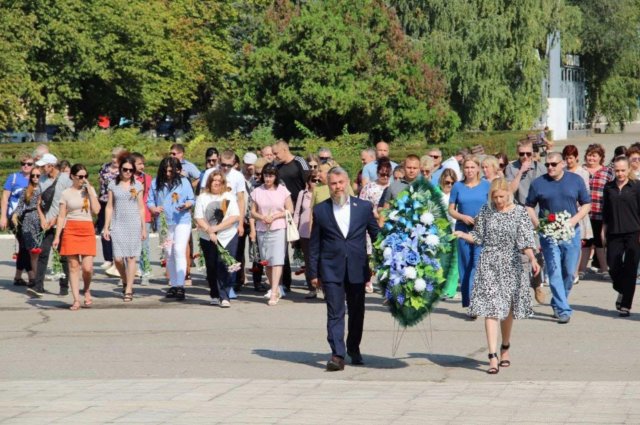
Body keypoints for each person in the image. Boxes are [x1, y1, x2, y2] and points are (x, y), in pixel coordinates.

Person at [454, 178, 539, 374]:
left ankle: (505, 346)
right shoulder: (486, 210)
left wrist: (533, 259)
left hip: (511, 263)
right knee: (491, 309)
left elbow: (525, 241)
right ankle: (492, 356)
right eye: (495, 197)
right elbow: (478, 236)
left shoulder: (519, 212)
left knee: (507, 310)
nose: (498, 201)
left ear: (508, 194)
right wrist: (462, 235)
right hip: (489, 263)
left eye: (501, 197)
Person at [309, 167, 380, 371]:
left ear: (348, 182)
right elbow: (315, 244)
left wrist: (392, 253)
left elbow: (376, 235)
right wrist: (313, 273)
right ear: (328, 185)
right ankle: (337, 355)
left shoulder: (363, 207)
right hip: (331, 268)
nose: (338, 187)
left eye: (341, 182)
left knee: (357, 312)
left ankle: (353, 348)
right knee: (335, 312)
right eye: (333, 183)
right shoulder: (321, 210)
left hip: (358, 268)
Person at [526, 152, 591, 324]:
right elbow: (529, 206)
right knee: (554, 271)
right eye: (547, 165)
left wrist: (574, 220)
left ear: (562, 163)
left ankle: (557, 300)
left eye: (554, 164)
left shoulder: (575, 180)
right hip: (549, 234)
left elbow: (586, 204)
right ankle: (563, 309)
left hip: (571, 232)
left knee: (569, 273)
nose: (550, 168)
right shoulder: (538, 183)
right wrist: (537, 224)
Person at [52, 164, 101, 310]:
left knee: (87, 267)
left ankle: (86, 289)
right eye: (80, 176)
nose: (83, 179)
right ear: (72, 176)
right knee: (73, 266)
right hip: (71, 229)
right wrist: (57, 236)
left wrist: (90, 192)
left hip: (87, 228)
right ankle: (76, 299)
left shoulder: (89, 190)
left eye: (85, 176)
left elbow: (97, 210)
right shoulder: (66, 193)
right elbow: (61, 216)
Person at [505, 138, 547, 304]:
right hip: (518, 214)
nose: (525, 156)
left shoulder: (542, 168)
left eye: (528, 154)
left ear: (533, 153)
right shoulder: (511, 167)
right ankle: (520, 290)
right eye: (521, 154)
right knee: (521, 253)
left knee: (537, 253)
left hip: (537, 214)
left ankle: (537, 284)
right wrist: (520, 171)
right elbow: (509, 191)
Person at [147, 157, 195, 300]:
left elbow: (192, 199)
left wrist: (186, 205)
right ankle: (173, 284)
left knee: (179, 250)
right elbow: (150, 200)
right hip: (164, 222)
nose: (168, 174)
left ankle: (180, 286)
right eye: (166, 170)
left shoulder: (184, 182)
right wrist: (154, 208)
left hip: (182, 221)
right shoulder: (156, 183)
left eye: (171, 171)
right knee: (168, 252)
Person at [448, 155, 491, 310]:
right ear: (463, 169)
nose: (470, 170)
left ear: (478, 169)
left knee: (477, 264)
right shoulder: (457, 187)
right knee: (465, 266)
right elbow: (451, 210)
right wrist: (462, 217)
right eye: (467, 167)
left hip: (482, 229)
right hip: (462, 229)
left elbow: (494, 206)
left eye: (473, 167)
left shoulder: (486, 186)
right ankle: (469, 302)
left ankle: (476, 301)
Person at [102, 157, 147, 301]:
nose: (128, 172)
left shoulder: (138, 185)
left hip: (133, 223)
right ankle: (125, 279)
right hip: (118, 223)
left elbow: (141, 207)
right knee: (118, 259)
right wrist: (106, 227)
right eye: (125, 169)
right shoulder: (112, 185)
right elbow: (109, 206)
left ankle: (129, 289)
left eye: (130, 170)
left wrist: (143, 228)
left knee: (132, 257)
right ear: (120, 169)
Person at [28, 154, 72, 298]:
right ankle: (38, 286)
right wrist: (42, 219)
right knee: (43, 253)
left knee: (62, 255)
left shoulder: (66, 180)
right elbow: (38, 202)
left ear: (51, 166)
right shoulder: (42, 180)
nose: (41, 169)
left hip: (61, 223)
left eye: (43, 166)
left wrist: (55, 219)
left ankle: (64, 286)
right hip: (46, 223)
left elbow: (69, 203)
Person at [195, 170, 240, 308]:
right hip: (207, 237)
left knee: (225, 264)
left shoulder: (228, 196)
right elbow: (198, 217)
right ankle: (214, 294)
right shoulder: (203, 197)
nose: (216, 183)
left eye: (219, 181)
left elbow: (234, 217)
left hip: (227, 236)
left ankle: (225, 295)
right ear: (209, 182)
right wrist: (210, 231)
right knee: (212, 265)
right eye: (214, 180)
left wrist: (216, 229)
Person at [250, 164, 293, 306]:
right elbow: (253, 212)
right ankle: (274, 286)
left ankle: (274, 291)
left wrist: (275, 216)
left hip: (279, 227)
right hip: (263, 228)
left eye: (271, 176)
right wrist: (262, 217)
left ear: (275, 177)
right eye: (266, 175)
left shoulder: (282, 190)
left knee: (278, 260)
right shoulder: (257, 191)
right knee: (267, 261)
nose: (268, 178)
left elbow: (290, 209)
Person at [602, 157, 640, 317]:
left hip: (634, 232)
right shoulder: (608, 187)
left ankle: (625, 305)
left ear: (629, 169)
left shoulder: (637, 186)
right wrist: (603, 230)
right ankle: (623, 289)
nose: (620, 173)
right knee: (613, 265)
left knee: (631, 269)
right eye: (617, 170)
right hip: (614, 232)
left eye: (623, 170)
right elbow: (606, 211)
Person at [273, 140, 309, 292]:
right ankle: (284, 283)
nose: (274, 156)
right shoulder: (276, 166)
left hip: (301, 210)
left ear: (285, 149)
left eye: (276, 153)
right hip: (285, 211)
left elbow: (308, 182)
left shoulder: (299, 161)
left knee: (306, 246)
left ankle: (312, 280)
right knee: (282, 247)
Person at [1, 153, 35, 286]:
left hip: (31, 217)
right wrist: (3, 217)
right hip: (15, 217)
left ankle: (17, 277)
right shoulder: (13, 178)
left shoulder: (36, 178)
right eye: (23, 164)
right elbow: (4, 198)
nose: (26, 166)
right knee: (26, 244)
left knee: (24, 247)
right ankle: (32, 276)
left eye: (29, 164)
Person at [358, 157, 392, 291]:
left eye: (387, 174)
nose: (384, 176)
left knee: (386, 255)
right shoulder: (369, 187)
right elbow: (361, 205)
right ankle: (368, 280)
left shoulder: (393, 186)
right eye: (382, 174)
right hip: (370, 224)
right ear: (377, 173)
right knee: (369, 254)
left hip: (388, 225)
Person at [562, 145, 594, 282]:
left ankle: (575, 272)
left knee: (578, 242)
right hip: (563, 211)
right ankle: (567, 270)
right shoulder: (561, 171)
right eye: (566, 158)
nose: (569, 161)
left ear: (576, 158)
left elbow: (585, 193)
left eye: (571, 158)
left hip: (579, 210)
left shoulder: (583, 172)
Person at [582, 144, 613, 277]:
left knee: (600, 241)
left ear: (601, 158)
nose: (591, 158)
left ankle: (604, 269)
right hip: (583, 212)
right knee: (585, 242)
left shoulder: (607, 172)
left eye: (594, 155)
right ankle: (581, 269)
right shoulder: (581, 170)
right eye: (589, 155)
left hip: (600, 211)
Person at [11, 167, 43, 287]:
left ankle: (35, 277)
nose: (35, 178)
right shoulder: (26, 190)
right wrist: (15, 215)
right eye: (33, 175)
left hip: (40, 220)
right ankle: (33, 278)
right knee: (28, 249)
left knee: (37, 250)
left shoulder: (43, 189)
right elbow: (20, 206)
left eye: (38, 175)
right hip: (28, 220)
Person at [97, 147, 125, 275]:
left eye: (117, 157)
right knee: (104, 229)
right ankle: (108, 258)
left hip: (117, 203)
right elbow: (100, 182)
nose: (114, 159)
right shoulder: (105, 167)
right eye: (113, 156)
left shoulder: (124, 169)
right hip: (104, 201)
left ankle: (116, 260)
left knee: (116, 231)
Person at [293, 171, 320, 298]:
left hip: (320, 231)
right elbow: (297, 213)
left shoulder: (324, 193)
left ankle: (324, 288)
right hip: (304, 232)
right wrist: (293, 231)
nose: (316, 183)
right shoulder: (302, 194)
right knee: (309, 261)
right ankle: (312, 288)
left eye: (318, 180)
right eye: (313, 180)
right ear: (308, 182)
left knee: (322, 260)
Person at [438, 169, 460, 300]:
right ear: (441, 181)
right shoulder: (437, 194)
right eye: (447, 182)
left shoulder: (457, 194)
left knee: (455, 262)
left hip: (455, 230)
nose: (449, 185)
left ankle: (450, 291)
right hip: (440, 232)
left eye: (452, 183)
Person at [131, 152, 153, 282]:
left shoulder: (148, 178)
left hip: (145, 216)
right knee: (129, 247)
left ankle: (146, 272)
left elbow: (152, 196)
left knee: (145, 246)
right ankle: (129, 273)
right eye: (139, 163)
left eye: (143, 163)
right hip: (130, 216)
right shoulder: (126, 178)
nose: (142, 166)